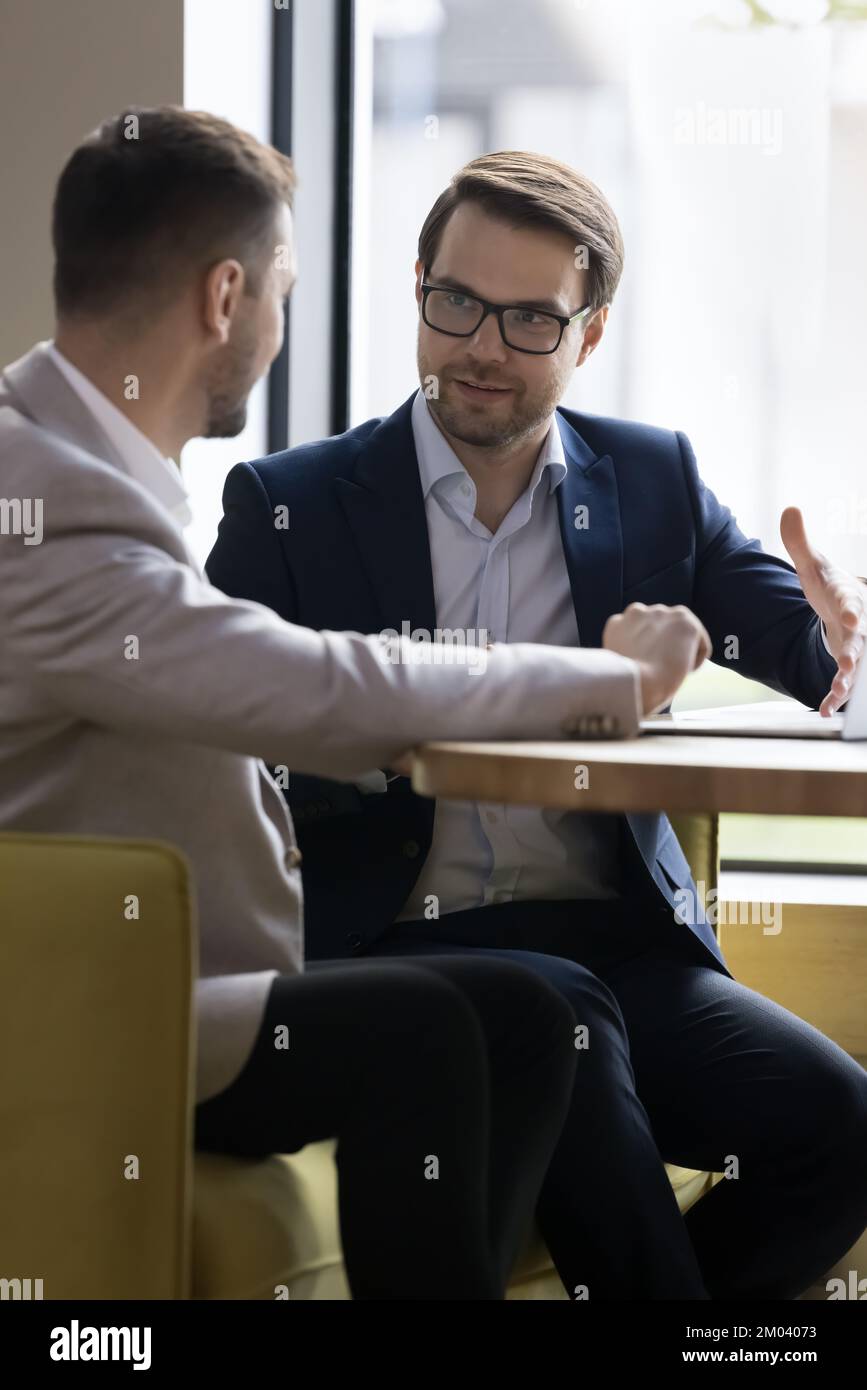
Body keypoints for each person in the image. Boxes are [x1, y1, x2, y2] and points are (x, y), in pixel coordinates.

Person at [0, 109, 709, 1300]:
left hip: (152, 974)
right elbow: (322, 682)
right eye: (282, 290)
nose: (282, 328)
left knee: (537, 1015)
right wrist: (615, 680)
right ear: (227, 298)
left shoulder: (74, 459)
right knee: (431, 1035)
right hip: (89, 1000)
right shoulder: (45, 499)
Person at [206, 150, 867, 1299]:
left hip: (617, 943)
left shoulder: (654, 483)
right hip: (393, 943)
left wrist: (851, 647)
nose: (481, 349)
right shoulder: (288, 506)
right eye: (456, 302)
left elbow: (821, 672)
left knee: (841, 1127)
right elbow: (214, 733)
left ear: (590, 333)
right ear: (417, 283)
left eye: (528, 320)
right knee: (559, 1023)